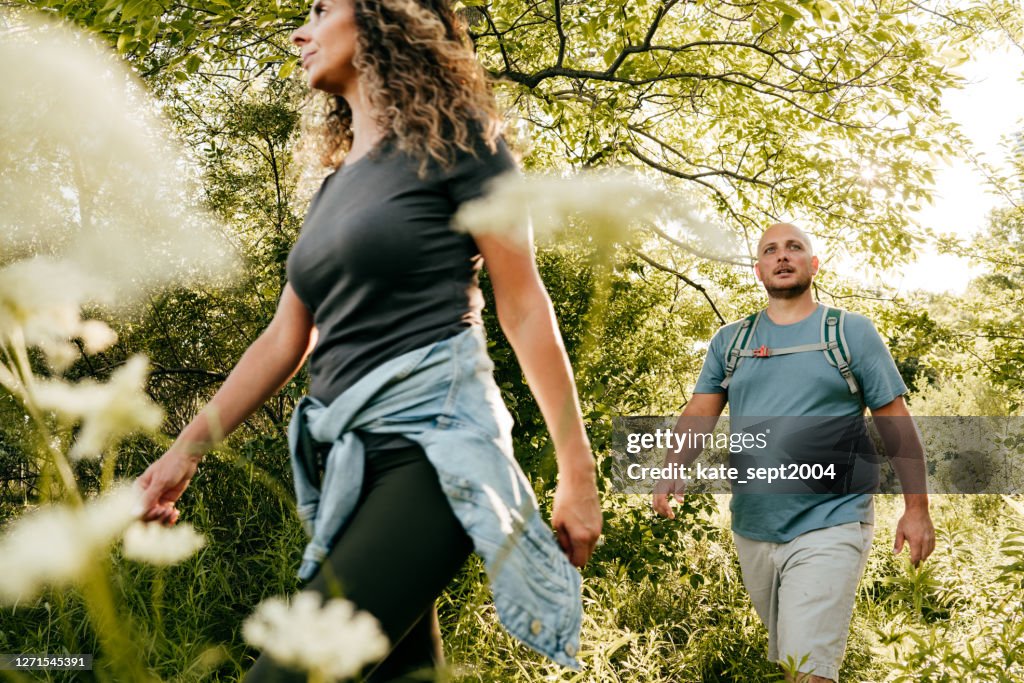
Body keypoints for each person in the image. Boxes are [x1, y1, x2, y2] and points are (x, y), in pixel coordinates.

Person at [134, 0, 602, 680]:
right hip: (349, 471)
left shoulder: (464, 146)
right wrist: (184, 453)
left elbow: (524, 306)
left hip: (434, 455)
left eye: (323, 8)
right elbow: (283, 339)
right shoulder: (332, 192)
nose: (302, 30)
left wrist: (577, 471)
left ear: (387, 17)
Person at [652, 223, 935, 683]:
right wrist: (671, 469)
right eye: (771, 250)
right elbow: (701, 410)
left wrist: (916, 508)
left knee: (809, 670)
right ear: (759, 270)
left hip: (833, 521)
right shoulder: (732, 341)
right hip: (754, 526)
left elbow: (895, 421)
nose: (782, 256)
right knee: (794, 663)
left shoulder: (850, 333)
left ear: (813, 264)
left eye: (795, 248)